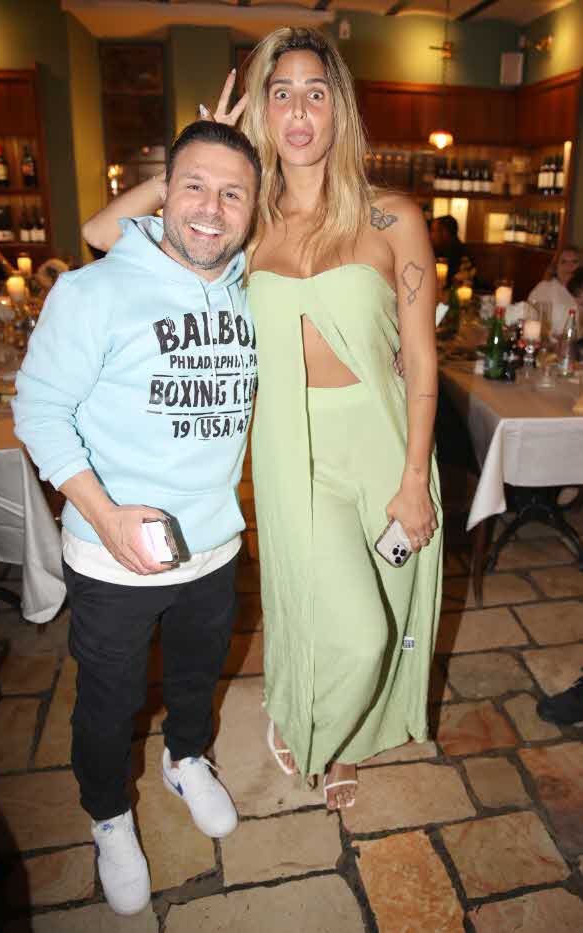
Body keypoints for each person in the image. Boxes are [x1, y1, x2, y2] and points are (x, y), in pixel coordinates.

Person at [83, 27, 442, 813]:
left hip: (384, 442)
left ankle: (343, 739)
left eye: (316, 92)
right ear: (264, 112)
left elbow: (421, 359)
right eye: (282, 94)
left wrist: (415, 477)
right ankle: (302, 708)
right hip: (292, 449)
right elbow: (101, 234)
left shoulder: (393, 219)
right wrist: (202, 152)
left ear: (339, 108)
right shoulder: (241, 223)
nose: (300, 111)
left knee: (387, 604)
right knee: (354, 628)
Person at [12, 120, 260, 916]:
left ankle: (186, 760)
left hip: (213, 547)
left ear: (254, 209)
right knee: (108, 703)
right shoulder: (94, 290)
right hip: (111, 554)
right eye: (194, 186)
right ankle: (109, 815)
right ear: (162, 193)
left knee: (194, 679)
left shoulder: (249, 284)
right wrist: (105, 514)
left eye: (233, 193)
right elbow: (38, 410)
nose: (212, 209)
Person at [528, 243, 580, 338]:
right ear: (556, 267)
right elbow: (530, 320)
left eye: (574, 262)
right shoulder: (544, 288)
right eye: (564, 262)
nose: (569, 266)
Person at [429, 215, 473, 287]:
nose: (430, 235)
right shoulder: (434, 252)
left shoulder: (462, 256)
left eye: (433, 230)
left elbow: (461, 284)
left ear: (445, 232)